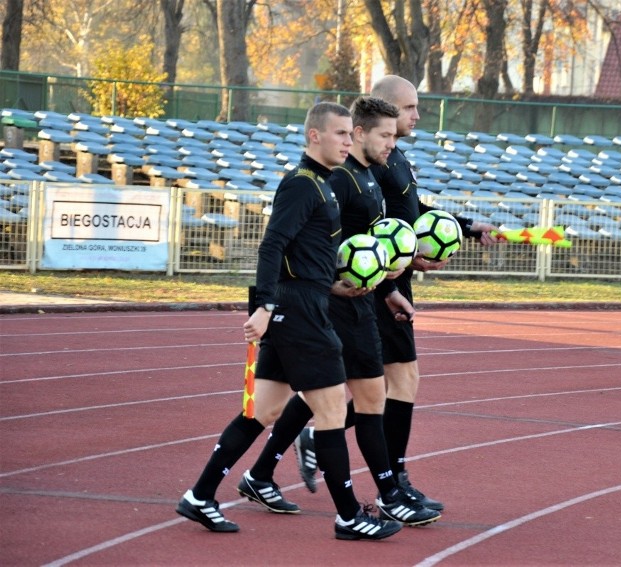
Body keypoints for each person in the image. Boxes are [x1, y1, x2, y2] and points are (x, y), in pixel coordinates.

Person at [175, 101, 402, 541]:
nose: (348, 141)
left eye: (349, 134)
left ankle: (200, 496)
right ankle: (349, 516)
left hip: (304, 302)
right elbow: (272, 245)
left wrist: (335, 286)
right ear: (314, 136)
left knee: (265, 410)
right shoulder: (301, 185)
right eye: (340, 134)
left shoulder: (324, 185)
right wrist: (262, 306)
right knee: (333, 408)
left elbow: (308, 254)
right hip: (297, 312)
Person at [295, 76, 498, 511]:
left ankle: (312, 447)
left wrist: (462, 226)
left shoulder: (394, 157)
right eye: (408, 109)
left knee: (369, 385)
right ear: (377, 114)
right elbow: (363, 226)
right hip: (373, 282)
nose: (416, 116)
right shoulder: (368, 163)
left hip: (390, 280)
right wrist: (387, 280)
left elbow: (411, 211)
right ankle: (392, 480)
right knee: (386, 382)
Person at [239, 96, 440, 527]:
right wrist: (274, 300)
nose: (391, 141)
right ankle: (384, 494)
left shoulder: (371, 175)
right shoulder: (339, 179)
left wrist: (388, 284)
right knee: (341, 399)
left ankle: (260, 473)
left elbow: (364, 245)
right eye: (383, 134)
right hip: (333, 306)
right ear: (360, 133)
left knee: (330, 399)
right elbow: (305, 243)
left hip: (360, 300)